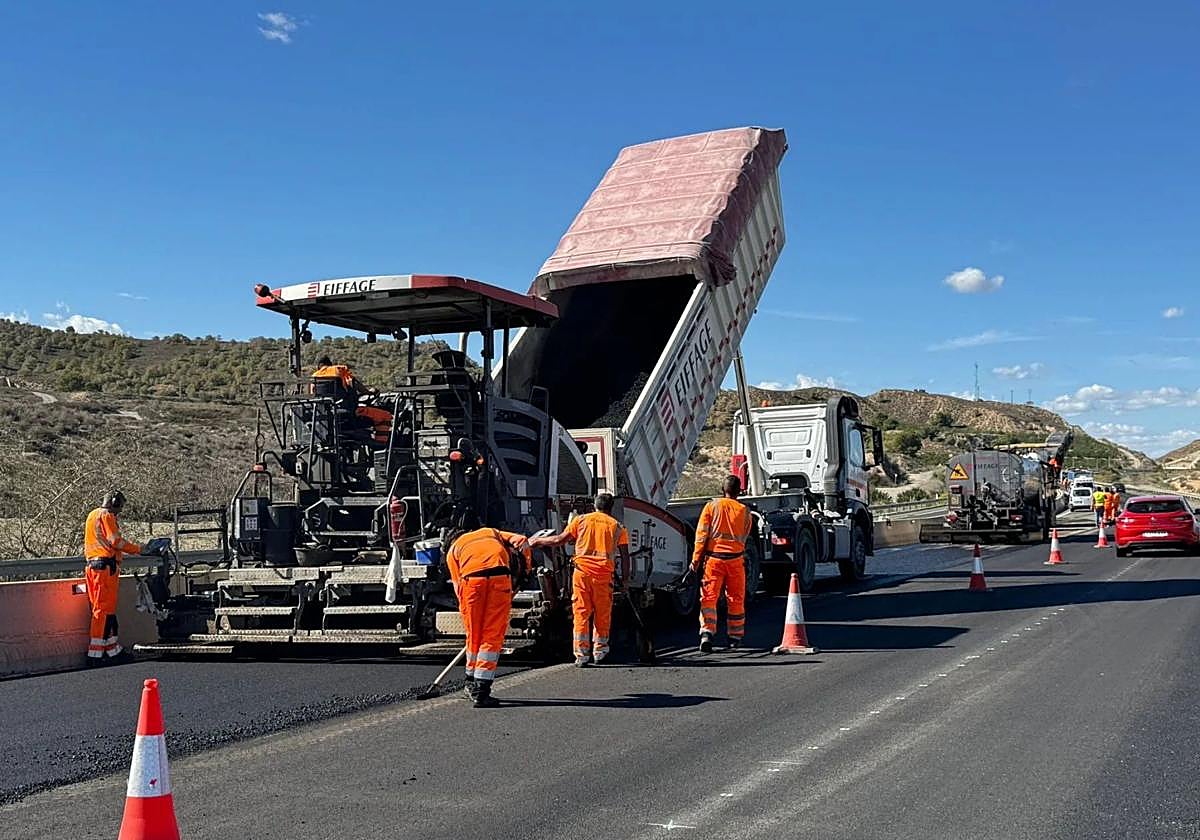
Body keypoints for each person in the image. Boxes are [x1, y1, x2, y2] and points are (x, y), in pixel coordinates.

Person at [530, 492, 631, 667]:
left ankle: (581, 655)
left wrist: (537, 540)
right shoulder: (618, 527)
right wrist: (625, 581)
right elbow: (625, 557)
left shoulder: (581, 520)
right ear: (610, 508)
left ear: (595, 506)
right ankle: (600, 652)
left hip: (582, 574)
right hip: (603, 576)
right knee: (602, 614)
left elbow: (559, 540)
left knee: (581, 612)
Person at [445, 524, 531, 708]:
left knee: (474, 634)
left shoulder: (453, 551)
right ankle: (481, 690)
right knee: (491, 635)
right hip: (500, 578)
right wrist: (524, 573)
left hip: (471, 583)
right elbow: (522, 541)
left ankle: (471, 682)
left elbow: (458, 588)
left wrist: (468, 612)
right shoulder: (491, 532)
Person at [689, 475, 752, 653]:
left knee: (709, 598)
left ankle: (707, 633)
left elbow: (701, 536)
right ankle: (735, 636)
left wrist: (695, 560)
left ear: (722, 490)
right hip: (735, 561)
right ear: (739, 491)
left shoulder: (711, 506)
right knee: (736, 598)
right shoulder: (745, 511)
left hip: (714, 560)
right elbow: (745, 536)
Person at [82, 491, 141, 666]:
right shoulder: (107, 516)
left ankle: (111, 650)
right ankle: (96, 655)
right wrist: (138, 549)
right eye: (120, 507)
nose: (119, 512)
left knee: (101, 610)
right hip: (105, 569)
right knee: (104, 611)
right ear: (115, 503)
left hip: (93, 567)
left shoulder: (92, 515)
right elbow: (116, 542)